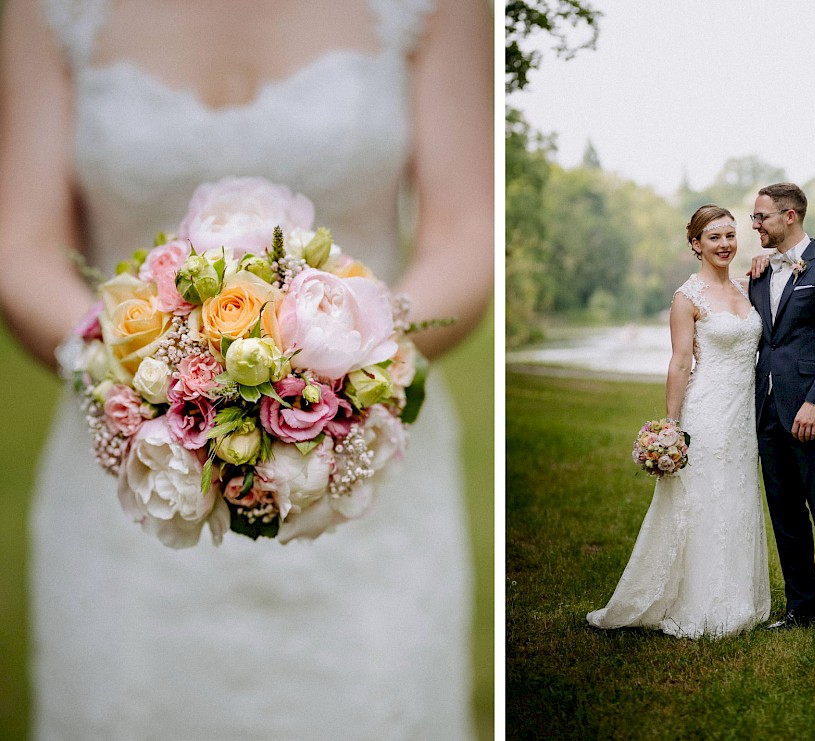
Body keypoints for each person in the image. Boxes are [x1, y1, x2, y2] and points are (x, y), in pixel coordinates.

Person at [0, 0, 492, 738]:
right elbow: (22, 243)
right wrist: (140, 376)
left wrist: (339, 366)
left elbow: (468, 230)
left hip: (361, 473)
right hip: (131, 480)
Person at [587, 205, 770, 638]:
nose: (725, 244)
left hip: (743, 417)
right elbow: (680, 361)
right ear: (695, 244)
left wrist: (765, 259)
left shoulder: (749, 287)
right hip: (705, 411)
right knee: (702, 499)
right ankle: (698, 600)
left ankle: (738, 596)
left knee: (737, 498)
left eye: (730, 235)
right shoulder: (687, 298)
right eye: (714, 237)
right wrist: (671, 425)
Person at [747, 182, 815, 639]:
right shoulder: (758, 272)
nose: (754, 225)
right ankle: (801, 606)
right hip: (768, 411)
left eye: (762, 217)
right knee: (785, 513)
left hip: (812, 411)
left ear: (789, 216)